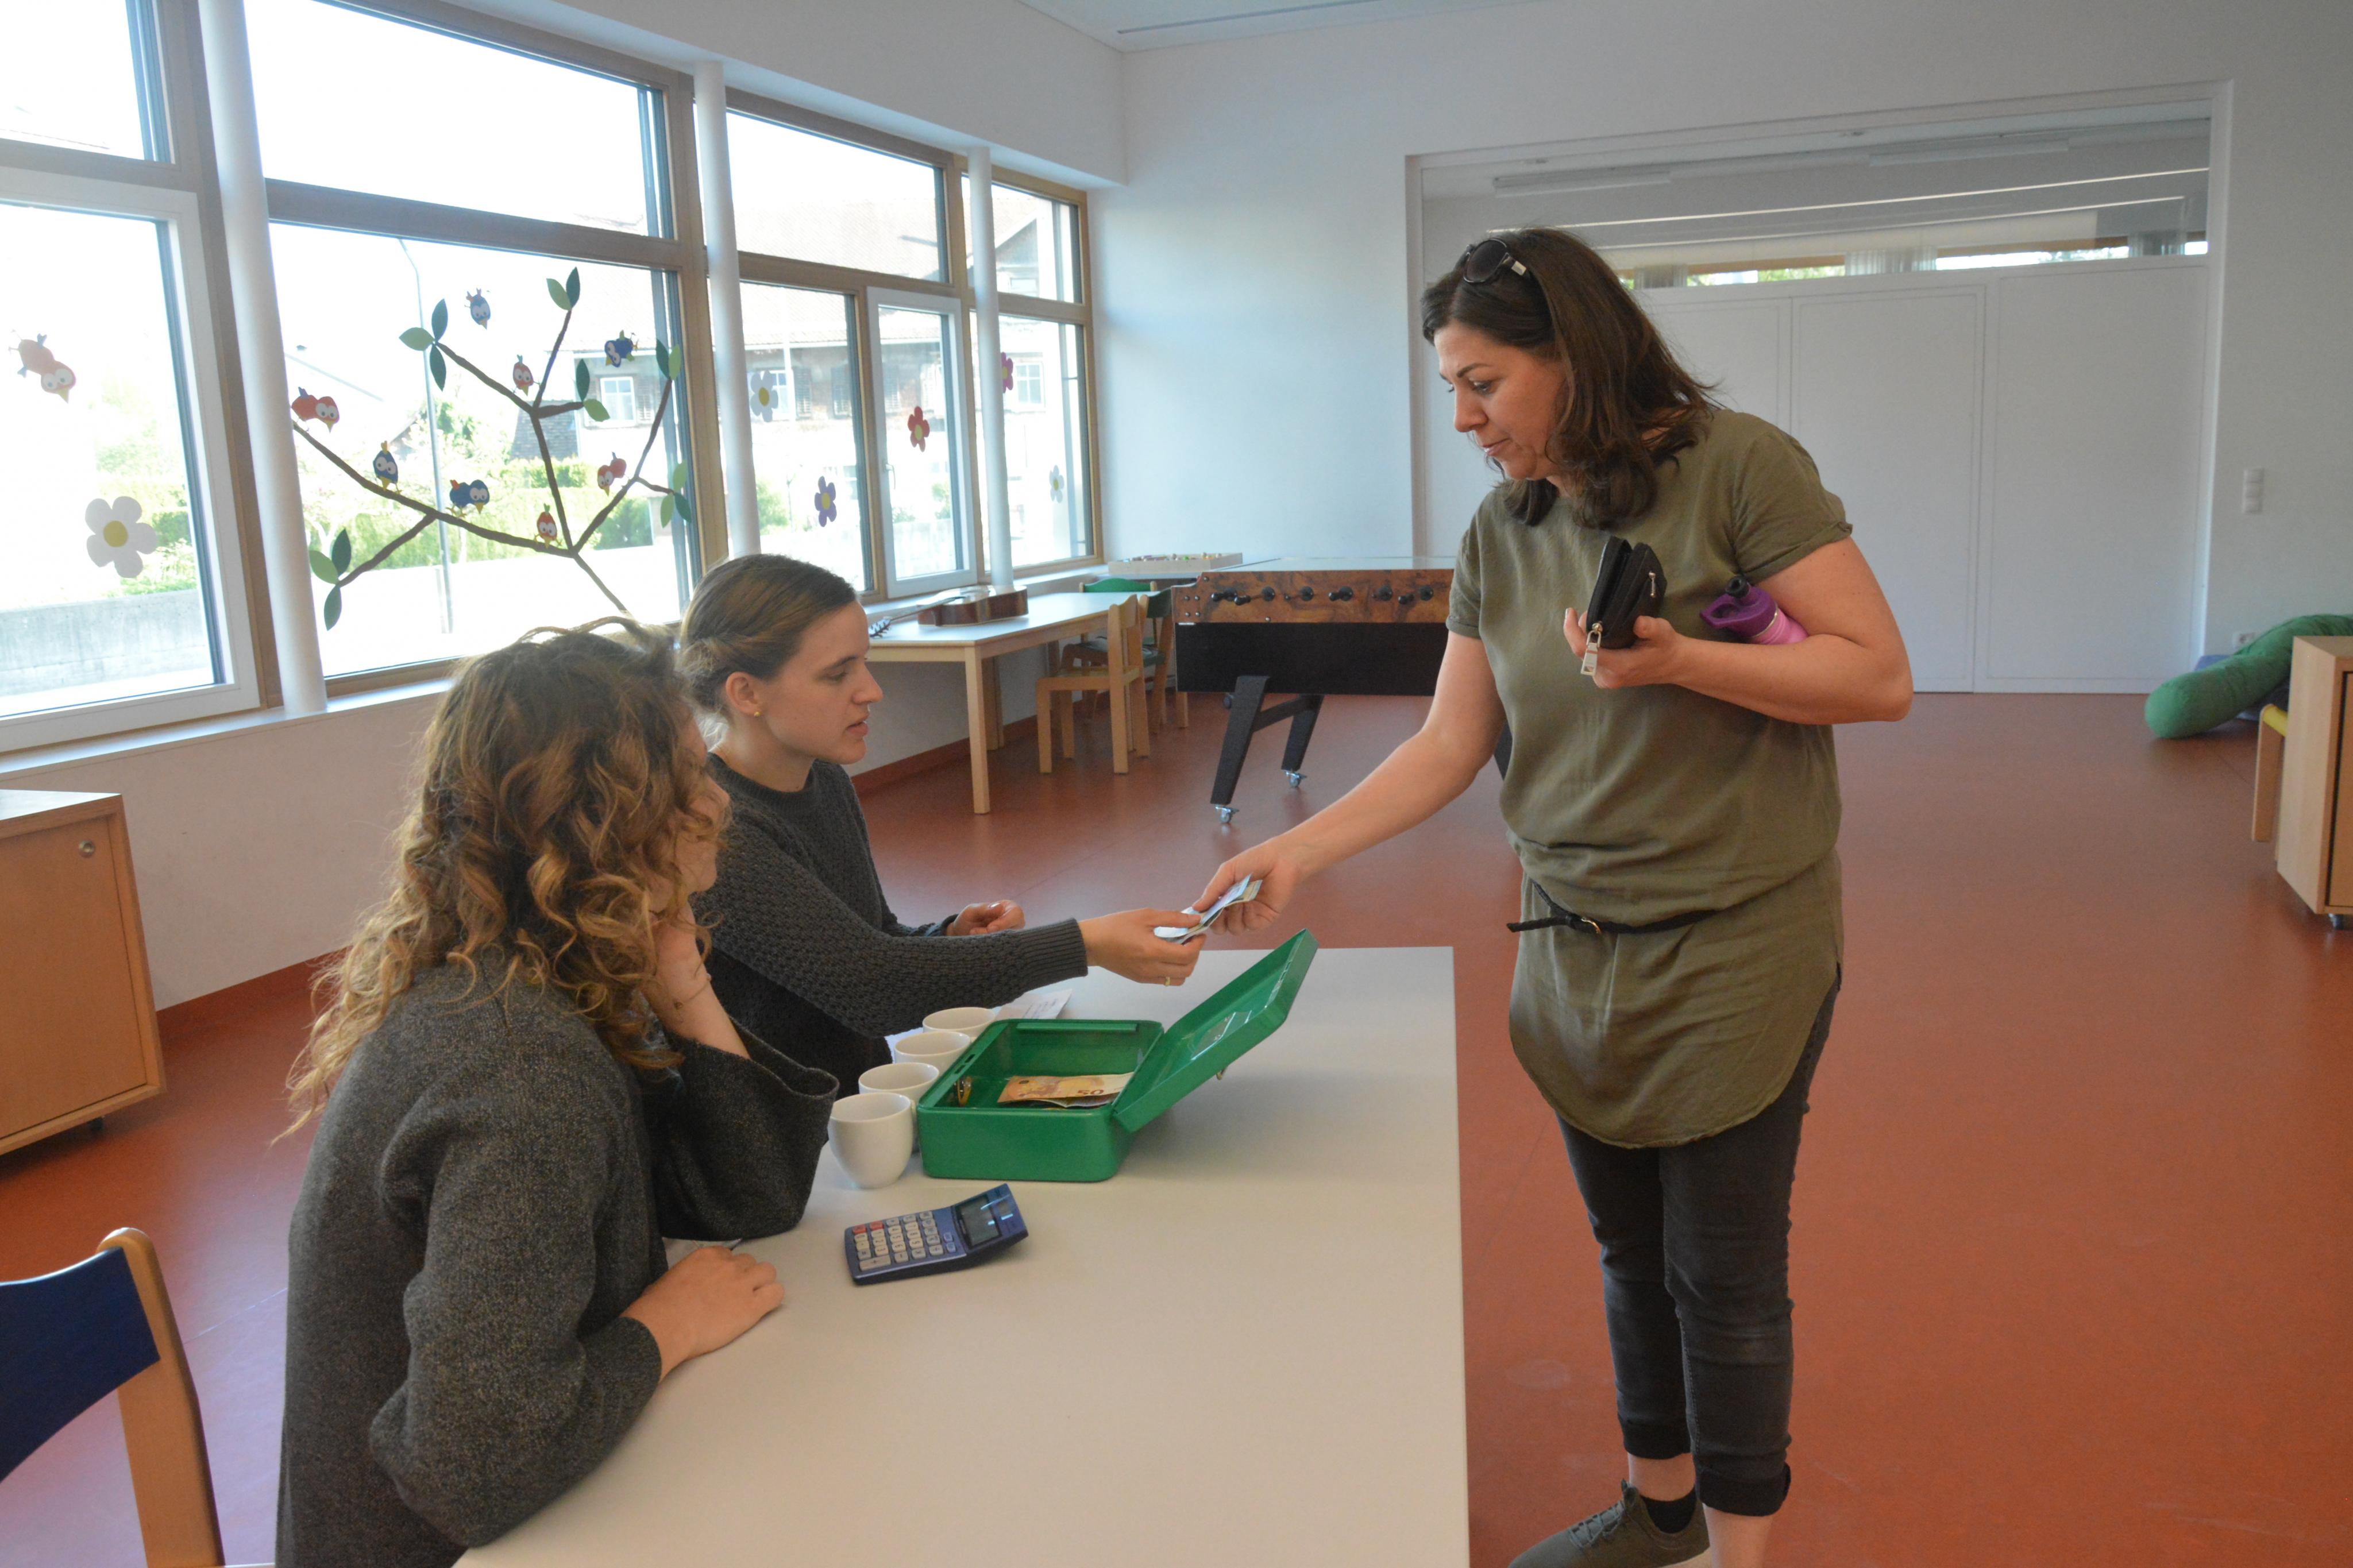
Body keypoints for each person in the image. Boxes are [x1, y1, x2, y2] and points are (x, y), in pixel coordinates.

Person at [1198, 228, 1911, 1568]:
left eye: (1483, 384)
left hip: (1734, 942)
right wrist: (1303, 850)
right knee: (1627, 1252)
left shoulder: (1738, 469)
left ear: (1573, 357)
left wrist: (1682, 661)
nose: (1463, 420)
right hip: (1571, 945)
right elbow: (1448, 742)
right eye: (1449, 390)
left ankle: (1737, 1560)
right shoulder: (1504, 528)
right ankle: (1659, 1514)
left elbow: (1875, 674)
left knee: (1724, 1273)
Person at [277, 621, 837, 1568]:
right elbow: (471, 1464)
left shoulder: (541, 972)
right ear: (602, 829)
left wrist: (680, 974)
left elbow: (755, 1195)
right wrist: (666, 1325)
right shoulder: (524, 1068)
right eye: (687, 780)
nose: (717, 799)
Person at [677, 553, 1200, 1094]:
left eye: (863, 663)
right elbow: (869, 987)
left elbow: (874, 938)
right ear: (747, 693)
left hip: (863, 1101)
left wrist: (947, 937)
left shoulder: (826, 779)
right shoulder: (717, 831)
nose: (871, 690)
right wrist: (1084, 944)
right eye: (837, 674)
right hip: (793, 1122)